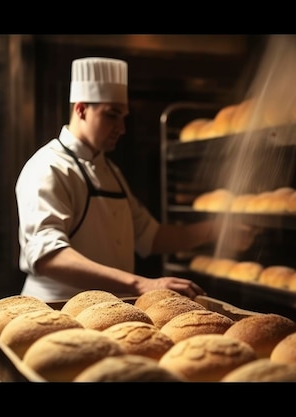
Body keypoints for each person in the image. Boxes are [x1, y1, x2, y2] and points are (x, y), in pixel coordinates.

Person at [15, 57, 255, 302]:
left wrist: (216, 230)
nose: (122, 127)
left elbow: (152, 237)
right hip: (56, 310)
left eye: (124, 117)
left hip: (107, 313)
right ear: (81, 109)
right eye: (112, 115)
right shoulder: (48, 168)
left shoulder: (111, 173)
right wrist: (140, 284)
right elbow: (47, 257)